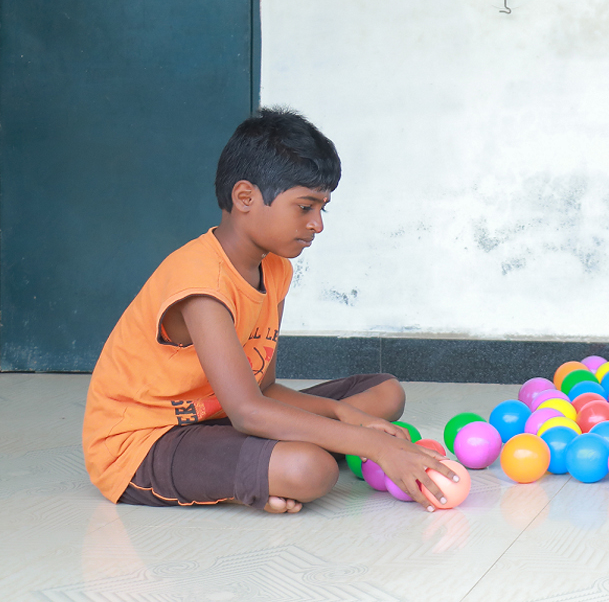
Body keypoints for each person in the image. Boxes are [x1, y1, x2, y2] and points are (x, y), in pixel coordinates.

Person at [82, 107, 455, 513]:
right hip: (145, 442)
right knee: (310, 470)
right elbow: (247, 411)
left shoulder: (275, 268)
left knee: (385, 393)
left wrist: (346, 416)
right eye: (304, 207)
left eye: (322, 208)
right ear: (245, 197)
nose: (318, 224)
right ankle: (266, 465)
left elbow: (264, 388)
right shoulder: (201, 282)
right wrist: (374, 445)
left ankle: (263, 459)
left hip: (223, 415)